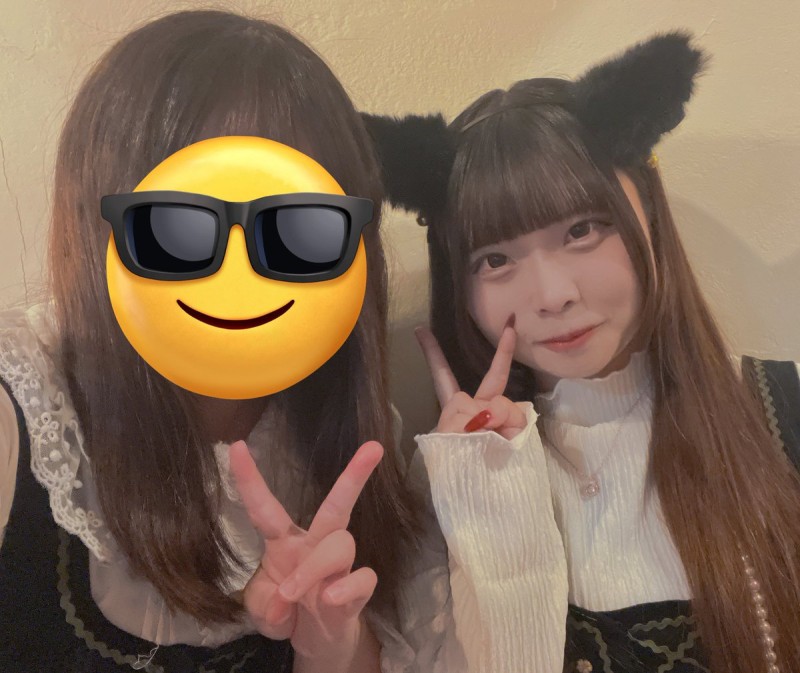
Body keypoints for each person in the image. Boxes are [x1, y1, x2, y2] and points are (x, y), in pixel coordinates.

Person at [0, 10, 424, 673]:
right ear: (97, 225)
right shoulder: (23, 411)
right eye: (175, 227)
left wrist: (331, 642)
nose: (239, 276)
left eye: (299, 229)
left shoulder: (345, 434)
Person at [365, 32, 800, 673]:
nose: (553, 295)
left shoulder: (777, 415)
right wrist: (486, 486)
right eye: (495, 259)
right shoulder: (446, 474)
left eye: (581, 230)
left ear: (649, 214)